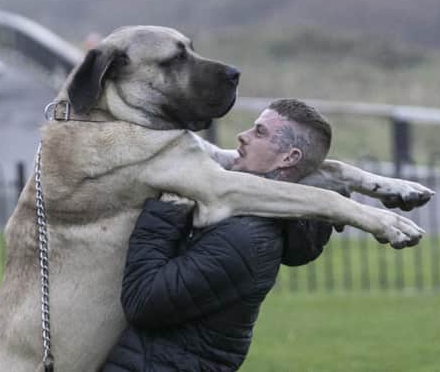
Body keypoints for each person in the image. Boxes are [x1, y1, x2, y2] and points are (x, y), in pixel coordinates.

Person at [101, 99, 335, 372]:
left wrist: (166, 212)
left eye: (260, 132)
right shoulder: (240, 217)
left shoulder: (244, 237)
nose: (243, 136)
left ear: (289, 158)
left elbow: (143, 302)